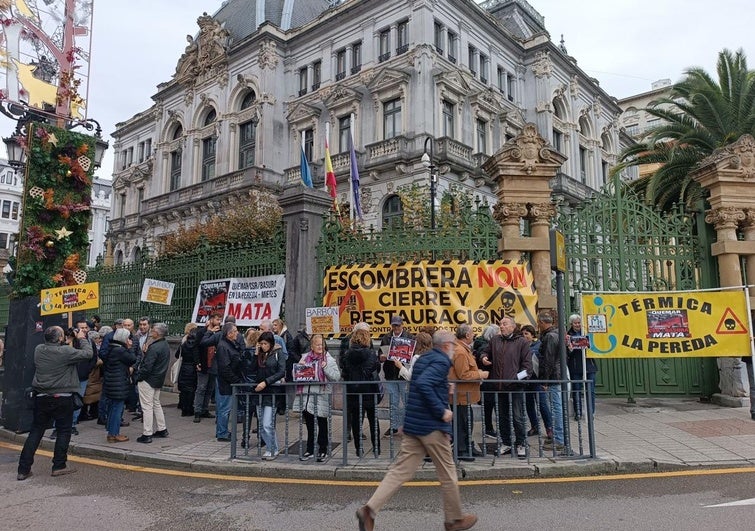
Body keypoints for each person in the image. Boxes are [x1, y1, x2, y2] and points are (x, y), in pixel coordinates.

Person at [355, 330, 478, 531]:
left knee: (399, 472)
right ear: (446, 346)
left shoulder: (422, 360)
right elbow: (423, 384)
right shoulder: (441, 362)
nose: (455, 349)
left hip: (415, 425)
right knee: (448, 473)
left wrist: (442, 389)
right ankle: (454, 520)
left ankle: (369, 511)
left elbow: (417, 387)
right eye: (453, 345)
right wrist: (442, 412)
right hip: (432, 427)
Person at [17, 326, 93, 480]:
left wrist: (67, 340)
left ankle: (23, 469)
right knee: (64, 431)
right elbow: (88, 354)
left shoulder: (39, 349)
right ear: (59, 339)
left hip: (42, 397)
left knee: (36, 431)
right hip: (63, 398)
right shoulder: (65, 352)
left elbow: (58, 353)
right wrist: (82, 338)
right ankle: (59, 465)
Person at [480, 316, 531, 459]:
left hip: (515, 387)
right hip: (499, 386)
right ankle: (506, 443)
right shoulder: (495, 340)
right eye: (500, 324)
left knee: (517, 417)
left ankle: (521, 443)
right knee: (502, 418)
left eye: (504, 324)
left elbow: (527, 368)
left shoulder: (522, 342)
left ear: (513, 327)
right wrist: (483, 357)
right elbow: (485, 352)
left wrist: (515, 379)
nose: (501, 326)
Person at [293, 334, 341, 462]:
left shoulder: (329, 359)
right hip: (307, 396)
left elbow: (336, 377)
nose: (320, 347)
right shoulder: (305, 357)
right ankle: (309, 449)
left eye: (322, 344)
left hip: (321, 395)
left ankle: (323, 450)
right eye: (318, 344)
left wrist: (325, 367)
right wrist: (299, 366)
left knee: (322, 424)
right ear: (312, 346)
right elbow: (296, 375)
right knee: (309, 424)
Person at [450, 324, 488, 460]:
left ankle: (467, 446)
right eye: (472, 334)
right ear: (467, 335)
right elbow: (463, 375)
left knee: (467, 421)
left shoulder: (462, 348)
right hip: (461, 395)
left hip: (465, 395)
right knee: (462, 423)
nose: (473, 336)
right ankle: (462, 450)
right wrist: (480, 374)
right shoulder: (460, 351)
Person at [343, 327, 381, 456]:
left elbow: (345, 371)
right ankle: (376, 448)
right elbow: (376, 368)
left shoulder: (348, 354)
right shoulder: (371, 353)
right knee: (373, 420)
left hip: (353, 391)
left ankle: (359, 449)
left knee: (356, 421)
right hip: (369, 390)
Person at [249, 331, 286, 459]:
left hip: (272, 392)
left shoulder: (278, 353)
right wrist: (255, 355)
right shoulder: (259, 354)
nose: (263, 346)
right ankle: (272, 448)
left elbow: (281, 371)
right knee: (262, 425)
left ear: (270, 343)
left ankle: (272, 449)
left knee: (267, 423)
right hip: (260, 392)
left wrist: (266, 382)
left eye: (265, 344)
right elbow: (252, 369)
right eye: (261, 344)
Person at [136, 323, 170, 443]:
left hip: (148, 379)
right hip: (158, 379)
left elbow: (147, 366)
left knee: (147, 406)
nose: (151, 331)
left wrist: (138, 377)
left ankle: (147, 433)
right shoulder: (164, 344)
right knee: (156, 403)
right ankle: (162, 428)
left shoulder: (154, 347)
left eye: (153, 330)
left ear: (157, 333)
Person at [536, 311, 566, 452]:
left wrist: (545, 380)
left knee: (555, 407)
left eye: (538, 322)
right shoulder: (557, 333)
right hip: (558, 374)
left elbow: (548, 360)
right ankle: (557, 436)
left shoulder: (549, 337)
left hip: (553, 376)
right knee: (556, 407)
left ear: (542, 322)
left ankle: (559, 439)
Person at [380, 315, 414, 436]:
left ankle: (408, 426)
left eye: (398, 325)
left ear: (402, 325)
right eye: (394, 325)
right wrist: (382, 357)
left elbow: (412, 355)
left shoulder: (409, 337)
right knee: (393, 403)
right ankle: (393, 426)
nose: (396, 328)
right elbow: (380, 355)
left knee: (406, 402)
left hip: (403, 375)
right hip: (390, 374)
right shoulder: (386, 338)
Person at [103, 328, 137, 443]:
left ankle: (111, 431)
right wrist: (131, 348)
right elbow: (132, 359)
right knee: (117, 409)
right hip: (118, 384)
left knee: (113, 408)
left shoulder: (111, 347)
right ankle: (114, 434)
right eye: (128, 338)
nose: (129, 340)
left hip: (111, 382)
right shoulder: (120, 350)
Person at [521, 324, 552, 439]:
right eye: (523, 334)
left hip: (537, 379)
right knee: (529, 405)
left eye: (526, 334)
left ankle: (549, 427)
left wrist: (545, 381)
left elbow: (544, 362)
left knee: (542, 404)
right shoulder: (522, 346)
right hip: (526, 380)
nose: (524, 336)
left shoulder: (538, 345)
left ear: (532, 334)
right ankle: (534, 426)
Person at [214, 322, 243, 442]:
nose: (237, 333)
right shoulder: (223, 347)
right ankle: (222, 433)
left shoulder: (230, 345)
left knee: (224, 408)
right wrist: (236, 380)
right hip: (225, 382)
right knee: (224, 409)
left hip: (228, 381)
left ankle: (222, 431)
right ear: (229, 333)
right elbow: (225, 368)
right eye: (235, 331)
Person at [191, 312, 222, 423]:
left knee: (210, 388)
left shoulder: (219, 333)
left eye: (220, 320)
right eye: (217, 319)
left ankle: (205, 409)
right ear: (211, 320)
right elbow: (195, 347)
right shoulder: (202, 332)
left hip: (214, 364)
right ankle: (197, 411)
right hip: (204, 363)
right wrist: (197, 362)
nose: (219, 322)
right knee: (201, 388)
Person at [566, 314, 597, 419]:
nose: (577, 325)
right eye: (575, 323)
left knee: (590, 390)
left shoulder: (587, 332)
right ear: (571, 324)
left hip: (589, 365)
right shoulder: (568, 335)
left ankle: (590, 412)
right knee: (576, 390)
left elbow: (596, 347)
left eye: (579, 322)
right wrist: (569, 349)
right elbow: (567, 354)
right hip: (575, 366)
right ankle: (578, 412)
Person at [474, 324, 500, 439]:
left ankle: (489, 428)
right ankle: (489, 429)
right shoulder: (485, 347)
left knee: (490, 405)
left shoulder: (481, 344)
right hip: (488, 381)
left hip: (489, 381)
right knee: (489, 405)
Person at [176, 322, 199, 416]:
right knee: (191, 389)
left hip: (184, 367)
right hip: (193, 368)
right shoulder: (197, 345)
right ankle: (189, 408)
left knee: (184, 388)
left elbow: (177, 355)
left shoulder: (183, 344)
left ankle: (183, 407)